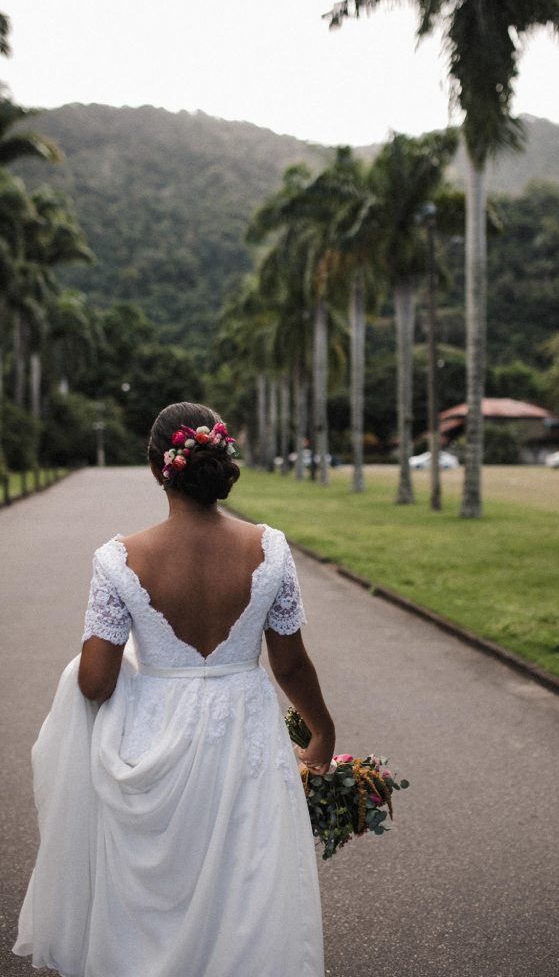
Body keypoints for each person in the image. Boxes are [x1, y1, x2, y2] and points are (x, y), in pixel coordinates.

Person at [13, 401, 335, 977]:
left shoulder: (119, 560)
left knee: (157, 884)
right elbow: (288, 664)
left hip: (153, 736)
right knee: (248, 877)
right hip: (246, 734)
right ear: (221, 460)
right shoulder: (271, 550)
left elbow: (95, 683)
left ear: (159, 467)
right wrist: (322, 730)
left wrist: (138, 659)